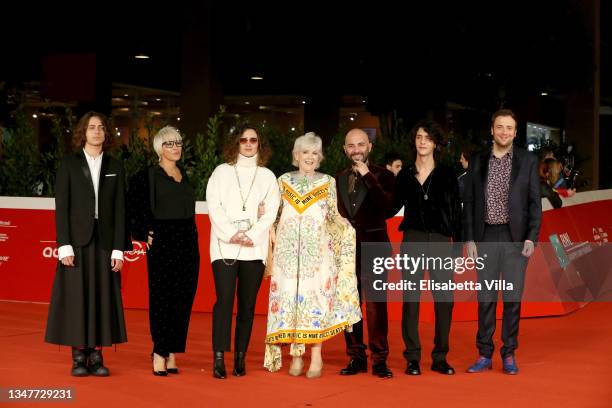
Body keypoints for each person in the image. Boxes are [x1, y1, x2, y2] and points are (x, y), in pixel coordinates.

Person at [264, 133, 361, 378]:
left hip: (316, 255)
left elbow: (333, 216)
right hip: (287, 256)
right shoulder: (283, 180)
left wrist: (347, 228)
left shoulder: (327, 181)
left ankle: (316, 355)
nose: (309, 157)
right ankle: (296, 356)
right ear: (296, 156)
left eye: (314, 153)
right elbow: (273, 217)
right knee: (290, 302)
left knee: (315, 301)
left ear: (320, 158)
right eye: (305, 152)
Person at [45, 111, 129, 376]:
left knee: (102, 297)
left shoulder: (116, 166)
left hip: (105, 241)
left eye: (101, 127)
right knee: (77, 298)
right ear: (84, 132)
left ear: (106, 133)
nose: (96, 131)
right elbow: (62, 208)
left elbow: (120, 210)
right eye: (92, 127)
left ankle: (97, 355)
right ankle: (78, 355)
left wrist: (119, 248)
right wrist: (64, 245)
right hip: (77, 242)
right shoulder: (69, 164)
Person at [463, 109, 542, 375]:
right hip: (484, 237)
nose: (504, 132)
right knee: (485, 299)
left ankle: (509, 353)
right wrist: (470, 238)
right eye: (500, 127)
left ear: (515, 132)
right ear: (492, 130)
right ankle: (484, 353)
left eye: (509, 128)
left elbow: (534, 203)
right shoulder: (477, 161)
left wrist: (532, 237)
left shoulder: (528, 160)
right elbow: (470, 203)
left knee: (511, 299)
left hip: (514, 240)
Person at [206, 125, 280, 379]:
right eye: (243, 139)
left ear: (260, 144)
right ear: (235, 143)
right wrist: (231, 234)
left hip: (254, 248)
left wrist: (251, 235)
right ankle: (218, 357)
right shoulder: (221, 172)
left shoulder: (268, 176)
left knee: (247, 307)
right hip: (223, 245)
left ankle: (240, 357)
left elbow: (271, 212)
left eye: (253, 140)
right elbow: (213, 206)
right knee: (224, 302)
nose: (248, 144)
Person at [390, 120, 462, 376]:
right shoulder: (406, 174)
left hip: (442, 242)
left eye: (428, 138)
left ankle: (440, 357)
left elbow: (456, 212)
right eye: (419, 137)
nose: (422, 141)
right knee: (411, 300)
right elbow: (390, 207)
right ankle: (412, 357)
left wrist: (459, 247)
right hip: (412, 240)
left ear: (436, 143)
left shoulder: (447, 173)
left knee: (445, 301)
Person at [127, 126, 199, 376]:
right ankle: (159, 351)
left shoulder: (184, 173)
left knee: (183, 296)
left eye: (178, 142)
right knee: (162, 297)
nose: (175, 147)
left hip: (188, 239)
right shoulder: (146, 175)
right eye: (169, 143)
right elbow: (132, 205)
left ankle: (172, 350)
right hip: (163, 241)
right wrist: (141, 231)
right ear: (159, 147)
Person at [336, 128, 396, 378]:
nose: (356, 150)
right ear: (345, 149)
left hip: (375, 247)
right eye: (351, 146)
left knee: (375, 306)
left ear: (370, 146)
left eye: (361, 144)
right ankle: (356, 357)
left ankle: (379, 359)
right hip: (347, 250)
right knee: (350, 305)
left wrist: (368, 176)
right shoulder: (338, 177)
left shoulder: (384, 175)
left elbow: (387, 209)